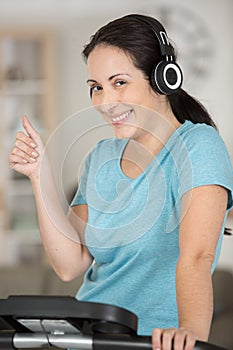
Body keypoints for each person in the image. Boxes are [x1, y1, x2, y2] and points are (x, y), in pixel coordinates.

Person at [9, 14, 233, 350]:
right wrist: (39, 176)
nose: (104, 101)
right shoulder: (100, 158)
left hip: (154, 341)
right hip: (89, 336)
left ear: (162, 80)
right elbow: (70, 265)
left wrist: (189, 331)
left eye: (119, 82)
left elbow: (197, 256)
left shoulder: (198, 146)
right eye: (96, 88)